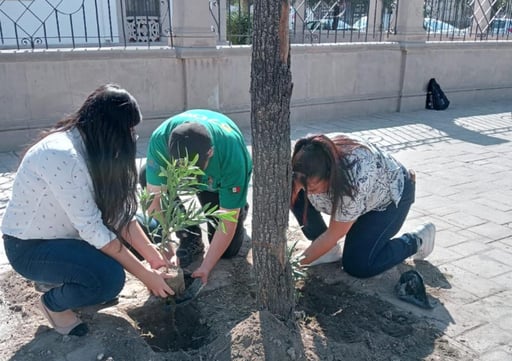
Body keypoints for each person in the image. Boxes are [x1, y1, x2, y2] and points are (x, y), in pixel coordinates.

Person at [1, 84, 177, 337]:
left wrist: (154, 259)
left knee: (143, 226)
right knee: (109, 279)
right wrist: (144, 275)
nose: (132, 135)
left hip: (71, 237)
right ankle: (53, 303)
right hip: (31, 247)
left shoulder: (95, 147)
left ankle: (75, 278)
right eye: (128, 129)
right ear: (108, 128)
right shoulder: (62, 155)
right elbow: (93, 228)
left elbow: (119, 214)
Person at [290, 133, 435, 277]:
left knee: (358, 265)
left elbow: (333, 234)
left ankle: (416, 241)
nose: (308, 193)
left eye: (313, 189)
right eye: (301, 184)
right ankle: (327, 251)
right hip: (363, 195)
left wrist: (293, 267)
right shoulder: (309, 157)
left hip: (389, 199)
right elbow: (300, 188)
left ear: (330, 175)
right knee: (293, 192)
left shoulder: (354, 181)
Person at [140, 109, 252, 284]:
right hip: (205, 175)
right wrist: (167, 253)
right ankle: (190, 236)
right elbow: (154, 201)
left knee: (228, 251)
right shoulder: (160, 139)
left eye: (194, 170)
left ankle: (238, 205)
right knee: (146, 175)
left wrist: (205, 267)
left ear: (210, 152)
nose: (187, 176)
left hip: (217, 181)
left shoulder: (231, 156)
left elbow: (227, 222)